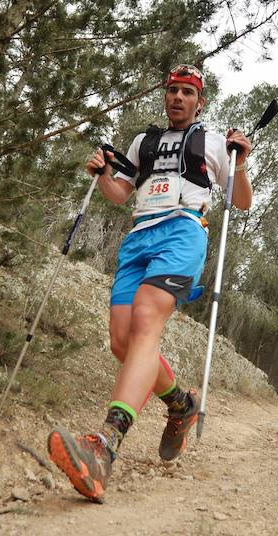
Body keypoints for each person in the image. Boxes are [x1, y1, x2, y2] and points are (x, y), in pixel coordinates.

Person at [47, 64, 253, 502]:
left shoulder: (212, 143)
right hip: (139, 237)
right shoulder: (144, 142)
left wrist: (242, 161)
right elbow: (120, 194)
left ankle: (103, 447)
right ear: (166, 96)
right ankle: (180, 405)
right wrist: (103, 173)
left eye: (187, 92)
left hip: (183, 232)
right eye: (173, 90)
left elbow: (241, 201)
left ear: (200, 101)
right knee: (123, 343)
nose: (178, 97)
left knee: (145, 322)